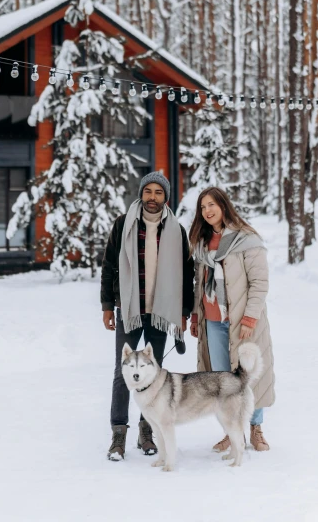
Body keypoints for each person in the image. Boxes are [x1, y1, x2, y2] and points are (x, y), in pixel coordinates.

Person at [100, 172, 194, 460]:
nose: (153, 197)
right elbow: (108, 266)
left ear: (166, 197)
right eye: (148, 191)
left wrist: (184, 312)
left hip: (161, 313)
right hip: (129, 309)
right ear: (141, 193)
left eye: (159, 193)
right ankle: (118, 435)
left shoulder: (176, 230)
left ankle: (146, 432)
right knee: (122, 373)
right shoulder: (123, 224)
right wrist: (107, 305)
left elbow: (186, 273)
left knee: (155, 374)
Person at [189, 186, 275, 452]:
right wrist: (195, 316)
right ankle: (230, 430)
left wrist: (250, 318)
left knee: (250, 376)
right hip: (213, 321)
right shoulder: (202, 243)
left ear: (224, 206)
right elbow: (199, 284)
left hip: (243, 322)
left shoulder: (246, 238)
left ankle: (255, 428)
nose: (207, 211)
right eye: (203, 207)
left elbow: (259, 283)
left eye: (212, 204)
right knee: (222, 380)